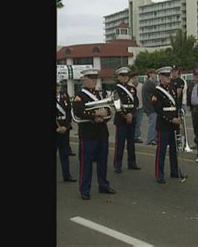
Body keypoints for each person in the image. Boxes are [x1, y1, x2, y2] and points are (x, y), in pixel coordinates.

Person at [72, 69, 116, 200]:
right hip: (88, 134)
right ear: (84, 79)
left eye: (95, 78)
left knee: (103, 161)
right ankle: (85, 189)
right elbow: (78, 111)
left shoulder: (100, 94)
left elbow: (108, 109)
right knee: (86, 163)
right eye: (91, 78)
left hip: (102, 133)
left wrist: (105, 116)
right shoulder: (80, 95)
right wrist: (95, 115)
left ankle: (103, 185)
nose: (93, 81)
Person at [151, 66, 186, 184]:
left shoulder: (172, 89)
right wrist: (171, 120)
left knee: (174, 150)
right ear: (160, 77)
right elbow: (159, 110)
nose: (168, 78)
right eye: (165, 76)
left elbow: (175, 106)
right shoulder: (157, 91)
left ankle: (174, 171)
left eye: (169, 75)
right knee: (161, 150)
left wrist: (178, 119)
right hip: (164, 124)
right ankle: (159, 174)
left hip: (173, 124)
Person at [112, 67, 141, 173]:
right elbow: (117, 104)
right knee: (120, 143)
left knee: (131, 143)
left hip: (131, 118)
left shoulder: (132, 89)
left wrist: (132, 115)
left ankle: (132, 163)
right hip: (121, 119)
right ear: (118, 77)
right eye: (123, 76)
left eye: (126, 75)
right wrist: (125, 116)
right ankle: (117, 165)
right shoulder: (116, 89)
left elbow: (136, 103)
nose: (125, 77)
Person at [56, 81, 77, 182]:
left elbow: (69, 112)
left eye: (58, 86)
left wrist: (66, 126)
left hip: (64, 129)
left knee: (64, 154)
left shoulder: (64, 97)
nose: (57, 88)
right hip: (56, 129)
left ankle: (67, 175)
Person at [142, 68, 158, 145]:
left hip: (149, 106)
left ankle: (153, 139)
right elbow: (157, 91)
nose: (155, 75)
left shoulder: (147, 83)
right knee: (153, 123)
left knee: (153, 123)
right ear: (150, 74)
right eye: (154, 73)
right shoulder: (150, 83)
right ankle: (150, 139)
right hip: (151, 107)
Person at [132, 75, 144, 143]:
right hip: (133, 108)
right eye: (134, 78)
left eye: (137, 78)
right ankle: (132, 136)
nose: (136, 79)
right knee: (133, 122)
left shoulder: (141, 86)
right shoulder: (130, 86)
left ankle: (137, 136)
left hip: (140, 106)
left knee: (138, 122)